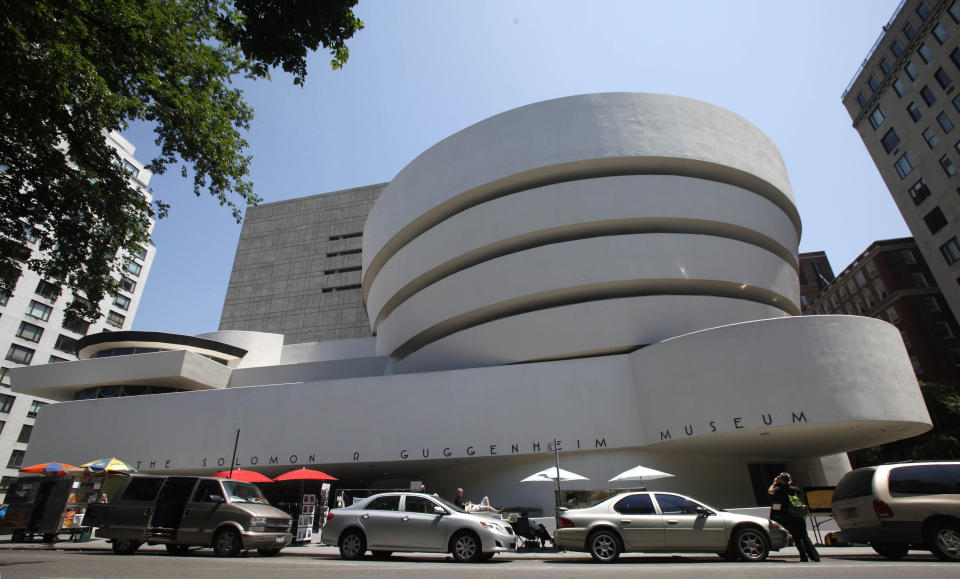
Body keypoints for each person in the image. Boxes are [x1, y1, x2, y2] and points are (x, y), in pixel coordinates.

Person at [768, 472, 819, 562]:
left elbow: (770, 491)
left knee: (796, 537)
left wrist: (774, 483)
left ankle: (803, 556)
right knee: (804, 536)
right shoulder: (795, 489)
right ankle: (814, 556)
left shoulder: (779, 489)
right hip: (798, 515)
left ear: (781, 480)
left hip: (788, 515)